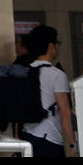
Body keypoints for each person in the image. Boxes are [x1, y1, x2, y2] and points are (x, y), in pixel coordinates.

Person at [21, 25, 77, 158]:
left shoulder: (25, 71)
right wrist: (73, 144)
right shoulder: (57, 75)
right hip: (49, 138)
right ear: (51, 46)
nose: (58, 47)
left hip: (27, 135)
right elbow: (65, 112)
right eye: (58, 43)